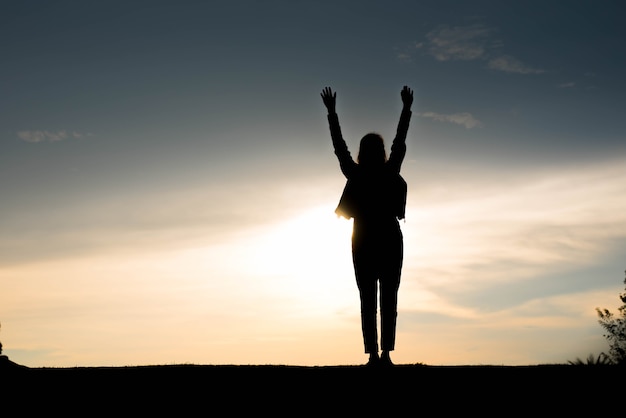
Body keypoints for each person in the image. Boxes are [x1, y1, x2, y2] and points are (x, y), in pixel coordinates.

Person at [321, 85, 413, 367]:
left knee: (370, 299)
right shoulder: (388, 170)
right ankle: (383, 354)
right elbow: (399, 141)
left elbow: (340, 148)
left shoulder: (357, 173)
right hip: (385, 236)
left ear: (363, 152)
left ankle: (376, 354)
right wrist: (406, 109)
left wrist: (332, 114)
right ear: (380, 152)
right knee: (387, 297)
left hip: (365, 237)